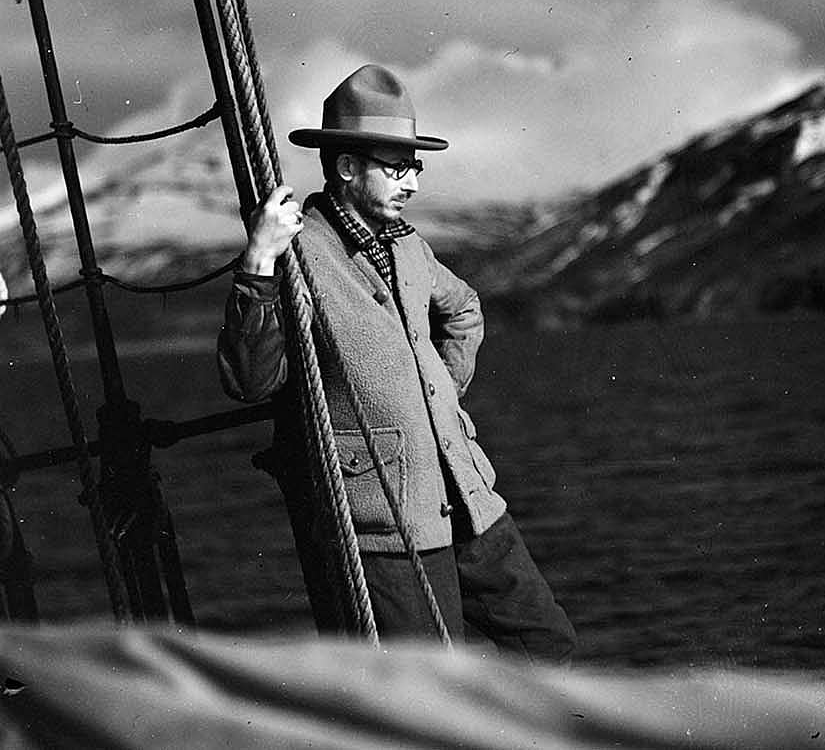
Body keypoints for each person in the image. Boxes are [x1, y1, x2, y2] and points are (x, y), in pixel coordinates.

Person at [217, 64, 575, 663]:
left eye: (415, 167)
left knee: (550, 648)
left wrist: (440, 392)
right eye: (396, 166)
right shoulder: (298, 249)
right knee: (431, 694)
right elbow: (250, 381)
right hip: (386, 523)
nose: (411, 182)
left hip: (468, 496)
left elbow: (463, 308)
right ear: (347, 167)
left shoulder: (409, 246)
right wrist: (257, 260)